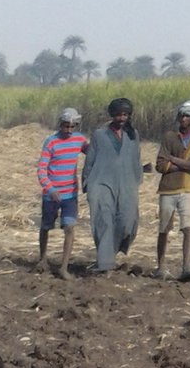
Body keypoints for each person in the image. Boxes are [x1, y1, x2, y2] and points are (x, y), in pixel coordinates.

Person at [81, 98, 143, 274]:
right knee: (104, 220)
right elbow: (90, 159)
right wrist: (86, 183)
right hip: (101, 183)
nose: (121, 118)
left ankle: (111, 252)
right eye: (118, 114)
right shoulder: (100, 134)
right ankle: (105, 263)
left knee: (127, 221)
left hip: (127, 183)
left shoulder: (133, 135)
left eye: (125, 114)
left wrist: (137, 180)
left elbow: (136, 159)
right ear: (112, 115)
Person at [154, 100, 190, 281]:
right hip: (169, 189)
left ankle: (186, 267)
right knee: (164, 228)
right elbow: (161, 166)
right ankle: (160, 267)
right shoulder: (169, 136)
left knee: (188, 228)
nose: (184, 119)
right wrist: (187, 165)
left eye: (188, 116)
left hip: (187, 189)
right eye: (182, 115)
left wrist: (174, 160)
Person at [36, 107, 89, 281]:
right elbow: (42, 169)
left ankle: (64, 267)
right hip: (51, 195)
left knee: (69, 227)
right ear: (61, 124)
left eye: (72, 127)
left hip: (70, 195)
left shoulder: (80, 140)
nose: (69, 130)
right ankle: (42, 258)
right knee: (45, 227)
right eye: (66, 126)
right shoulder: (51, 142)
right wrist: (50, 189)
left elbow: (94, 152)